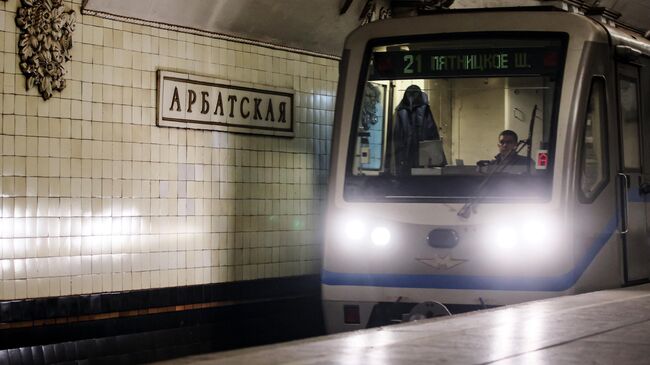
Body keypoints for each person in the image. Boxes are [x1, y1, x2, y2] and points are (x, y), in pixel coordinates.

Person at [392, 85, 443, 176]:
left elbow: (432, 132)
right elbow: (397, 136)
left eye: (414, 94)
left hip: (421, 152)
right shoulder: (401, 110)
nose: (411, 97)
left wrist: (435, 159)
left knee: (420, 176)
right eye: (409, 94)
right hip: (407, 151)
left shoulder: (424, 108)